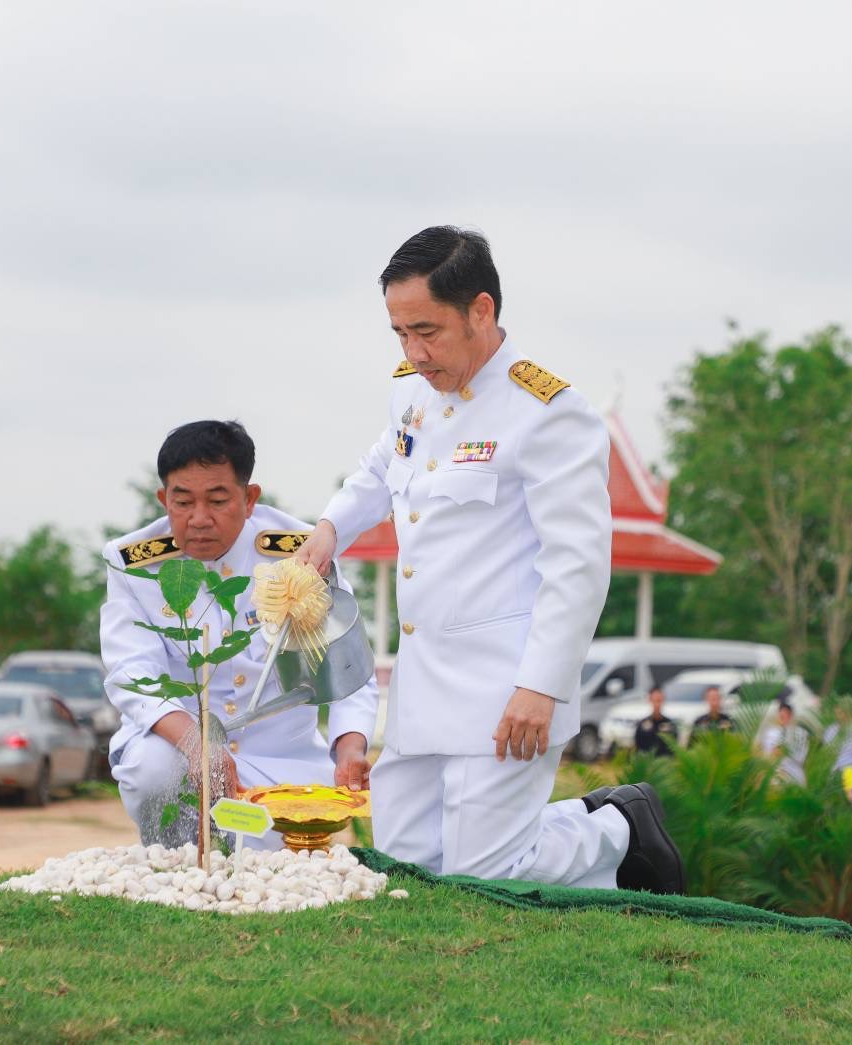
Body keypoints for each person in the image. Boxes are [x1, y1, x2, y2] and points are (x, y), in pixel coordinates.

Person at [294, 226, 682, 893]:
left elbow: (579, 565)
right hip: (422, 681)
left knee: (487, 873)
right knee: (409, 866)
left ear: (480, 310)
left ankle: (618, 825)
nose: (414, 352)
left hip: (507, 687)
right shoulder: (411, 391)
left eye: (427, 331)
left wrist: (543, 685)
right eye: (398, 334)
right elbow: (380, 465)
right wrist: (330, 527)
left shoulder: (549, 413)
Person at [99, 420, 378, 847]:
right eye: (183, 501)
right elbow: (131, 674)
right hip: (181, 755)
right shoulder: (134, 565)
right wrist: (197, 744)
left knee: (273, 872)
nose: (199, 519)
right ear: (163, 499)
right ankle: (169, 862)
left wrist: (350, 748)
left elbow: (348, 672)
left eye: (217, 500)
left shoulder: (301, 554)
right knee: (152, 773)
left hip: (281, 763)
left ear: (249, 499)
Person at [633, 687, 678, 758]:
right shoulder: (642, 725)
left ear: (663, 700)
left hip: (664, 764)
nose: (657, 704)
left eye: (659, 700)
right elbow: (638, 747)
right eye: (655, 700)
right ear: (650, 700)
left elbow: (673, 749)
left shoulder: (670, 724)